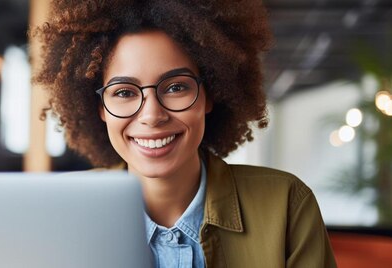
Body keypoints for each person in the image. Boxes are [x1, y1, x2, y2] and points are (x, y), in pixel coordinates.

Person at [32, 0, 337, 267]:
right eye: (124, 92)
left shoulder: (286, 205)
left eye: (176, 87)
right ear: (99, 107)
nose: (152, 115)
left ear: (210, 94)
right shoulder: (61, 212)